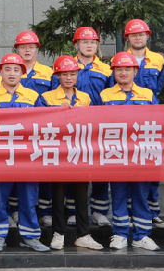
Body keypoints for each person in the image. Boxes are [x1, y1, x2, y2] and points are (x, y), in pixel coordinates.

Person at [0, 53, 48, 253]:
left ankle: (31, 237)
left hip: (27, 157)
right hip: (0, 157)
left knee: (28, 199)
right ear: (0, 72)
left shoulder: (33, 96)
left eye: (16, 70)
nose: (11, 73)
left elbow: (44, 123)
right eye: (7, 69)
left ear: (22, 73)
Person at [39, 55, 103, 251]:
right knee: (58, 195)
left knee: (82, 195)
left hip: (80, 152)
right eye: (64, 74)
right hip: (58, 153)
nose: (68, 78)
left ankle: (83, 234)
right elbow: (39, 123)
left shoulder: (86, 97)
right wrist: (56, 111)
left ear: (77, 76)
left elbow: (94, 122)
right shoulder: (47, 97)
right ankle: (58, 233)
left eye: (73, 74)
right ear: (58, 75)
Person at [100, 51, 158, 251]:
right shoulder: (104, 95)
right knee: (118, 194)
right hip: (115, 153)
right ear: (113, 72)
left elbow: (158, 122)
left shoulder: (148, 95)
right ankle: (120, 234)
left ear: (135, 71)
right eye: (119, 69)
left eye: (127, 69)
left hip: (141, 154)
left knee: (141, 194)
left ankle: (142, 236)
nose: (123, 73)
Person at [122, 19, 164, 229]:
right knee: (127, 168)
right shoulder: (120, 59)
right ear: (127, 38)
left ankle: (152, 212)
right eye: (133, 35)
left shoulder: (158, 59)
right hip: (125, 122)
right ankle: (129, 213)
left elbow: (158, 88)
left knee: (151, 166)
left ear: (147, 36)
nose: (138, 38)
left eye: (141, 34)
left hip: (149, 120)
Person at [13, 31, 55, 226]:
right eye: (23, 47)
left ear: (37, 49)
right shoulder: (12, 70)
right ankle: (15, 210)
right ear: (17, 49)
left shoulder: (48, 72)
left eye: (31, 47)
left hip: (41, 131)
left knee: (44, 173)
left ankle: (45, 211)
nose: (27, 50)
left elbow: (53, 98)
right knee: (16, 172)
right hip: (16, 132)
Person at [72, 26, 113, 227]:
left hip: (99, 127)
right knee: (74, 168)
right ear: (76, 45)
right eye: (85, 42)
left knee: (100, 169)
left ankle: (99, 211)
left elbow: (111, 96)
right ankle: (73, 211)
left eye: (93, 42)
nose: (89, 46)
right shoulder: (68, 67)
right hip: (74, 127)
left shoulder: (106, 70)